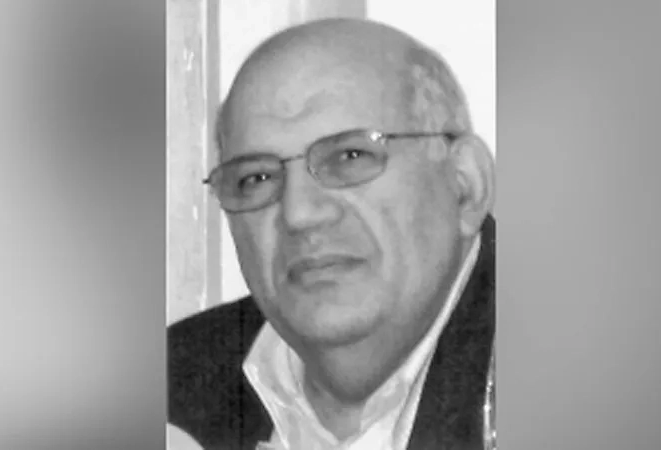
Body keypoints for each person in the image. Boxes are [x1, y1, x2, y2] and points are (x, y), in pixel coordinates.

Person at [168, 17, 496, 450]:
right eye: (256, 178)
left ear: (465, 185)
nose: (300, 214)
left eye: (350, 156)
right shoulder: (172, 390)